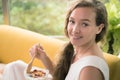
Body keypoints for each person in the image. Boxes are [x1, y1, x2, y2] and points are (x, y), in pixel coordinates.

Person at [2, 0, 109, 80]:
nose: (75, 30)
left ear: (99, 28)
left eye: (84, 24)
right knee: (15, 67)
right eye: (72, 21)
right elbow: (63, 77)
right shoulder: (80, 49)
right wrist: (44, 58)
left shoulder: (89, 70)